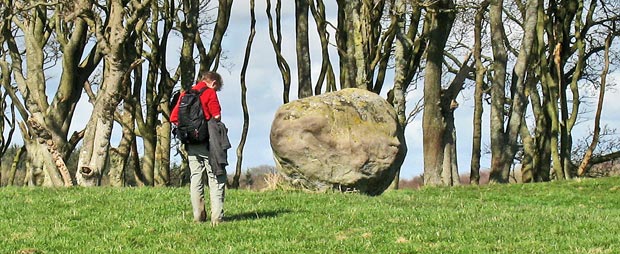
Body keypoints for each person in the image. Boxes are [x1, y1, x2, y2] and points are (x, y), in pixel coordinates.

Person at [171, 71, 227, 226]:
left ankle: (198, 217)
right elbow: (216, 116)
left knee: (195, 177)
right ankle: (217, 219)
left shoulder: (186, 94)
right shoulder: (209, 93)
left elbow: (174, 117)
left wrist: (191, 129)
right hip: (208, 142)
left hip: (190, 143)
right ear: (213, 83)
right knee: (215, 177)